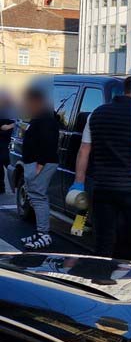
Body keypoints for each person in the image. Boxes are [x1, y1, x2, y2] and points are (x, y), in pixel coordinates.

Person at [72, 74, 131, 261]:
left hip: (102, 188)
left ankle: (102, 278)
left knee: (104, 239)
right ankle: (129, 280)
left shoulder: (96, 113)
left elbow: (84, 151)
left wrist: (78, 182)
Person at [20, 86, 60, 250]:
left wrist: (40, 165)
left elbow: (49, 143)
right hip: (35, 162)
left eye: (28, 102)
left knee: (38, 197)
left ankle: (44, 235)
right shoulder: (40, 117)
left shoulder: (46, 118)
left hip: (40, 163)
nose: (26, 105)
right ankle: (40, 232)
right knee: (34, 196)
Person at [0, 90, 16, 195]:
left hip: (11, 143)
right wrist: (15, 125)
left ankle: (16, 185)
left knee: (11, 166)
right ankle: (1, 188)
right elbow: (3, 127)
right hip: (2, 144)